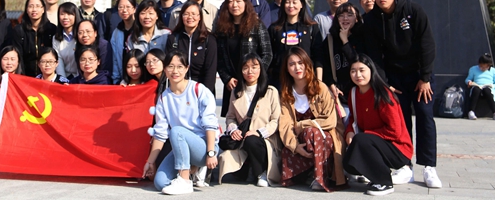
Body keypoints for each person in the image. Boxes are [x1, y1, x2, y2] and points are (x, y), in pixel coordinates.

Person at [362, 0, 441, 188]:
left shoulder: (413, 11)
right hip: (394, 78)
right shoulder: (371, 20)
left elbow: (427, 44)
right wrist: (384, 82)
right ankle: (404, 165)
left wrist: (425, 77)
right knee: (399, 121)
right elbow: (374, 55)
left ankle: (429, 166)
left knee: (424, 115)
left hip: (419, 76)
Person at [143, 51, 220, 195]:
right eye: (170, 66)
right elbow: (160, 134)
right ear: (165, 69)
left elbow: (210, 124)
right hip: (180, 146)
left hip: (203, 147)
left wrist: (211, 153)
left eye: (179, 66)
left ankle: (184, 181)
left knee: (177, 131)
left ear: (186, 68)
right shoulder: (164, 98)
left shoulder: (198, 90)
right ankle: (190, 170)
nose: (175, 71)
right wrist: (150, 162)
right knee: (160, 183)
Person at [343, 54, 413, 196]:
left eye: (362, 70)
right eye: (353, 71)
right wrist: (350, 131)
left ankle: (384, 183)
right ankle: (372, 175)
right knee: (348, 164)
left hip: (398, 148)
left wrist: (366, 135)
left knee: (362, 140)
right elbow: (353, 118)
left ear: (371, 70)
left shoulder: (383, 94)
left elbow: (394, 131)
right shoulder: (353, 93)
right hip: (373, 142)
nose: (358, 75)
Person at [278, 47, 346, 191]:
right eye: (292, 64)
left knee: (312, 133)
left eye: (300, 63)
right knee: (289, 151)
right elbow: (285, 125)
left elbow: (331, 121)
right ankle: (309, 173)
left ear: (307, 64)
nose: (297, 68)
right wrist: (295, 146)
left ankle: (320, 178)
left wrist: (304, 124)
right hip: (301, 142)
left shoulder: (320, 88)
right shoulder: (286, 92)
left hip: (326, 138)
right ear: (287, 69)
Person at [218, 53, 281, 187]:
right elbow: (230, 117)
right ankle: (248, 168)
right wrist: (233, 129)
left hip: (266, 138)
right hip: (242, 138)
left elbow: (276, 120)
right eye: (245, 68)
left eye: (254, 67)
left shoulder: (271, 91)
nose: (250, 71)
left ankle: (261, 172)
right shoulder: (236, 92)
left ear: (261, 69)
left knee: (252, 140)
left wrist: (259, 132)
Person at [216, 0, 273, 117]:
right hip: (232, 85)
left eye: (238, 1)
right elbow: (219, 58)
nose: (234, 5)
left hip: (253, 83)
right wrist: (227, 78)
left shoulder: (256, 25)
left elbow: (267, 54)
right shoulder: (222, 28)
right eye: (230, 1)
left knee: (255, 119)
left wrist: (255, 74)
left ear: (245, 3)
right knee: (233, 121)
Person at [314, 2, 363, 117]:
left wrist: (345, 41)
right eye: (341, 15)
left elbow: (357, 63)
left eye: (350, 15)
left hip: (360, 92)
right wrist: (331, 84)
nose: (345, 18)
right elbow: (324, 64)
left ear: (356, 18)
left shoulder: (363, 37)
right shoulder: (330, 40)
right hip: (340, 95)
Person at [268, 0, 318, 89]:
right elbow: (270, 55)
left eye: (294, 2)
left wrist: (318, 80)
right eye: (287, 2)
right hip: (280, 82)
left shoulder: (311, 27)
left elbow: (318, 56)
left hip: (306, 80)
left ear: (301, 4)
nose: (291, 6)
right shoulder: (274, 28)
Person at [169, 1, 217, 95]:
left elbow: (211, 71)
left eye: (194, 14)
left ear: (200, 17)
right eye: (186, 14)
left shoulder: (209, 40)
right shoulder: (173, 38)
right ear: (181, 16)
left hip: (202, 90)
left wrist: (205, 94)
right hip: (179, 91)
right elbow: (169, 67)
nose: (190, 17)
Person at [4, 0, 56, 77]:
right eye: (31, 6)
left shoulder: (51, 29)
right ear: (26, 10)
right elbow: (18, 56)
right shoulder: (19, 30)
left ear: (43, 9)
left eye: (37, 6)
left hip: (47, 77)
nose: (34, 9)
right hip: (25, 77)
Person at [465, 53, 495, 121]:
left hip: (488, 89)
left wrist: (492, 85)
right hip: (477, 87)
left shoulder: (494, 71)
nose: (482, 68)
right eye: (480, 66)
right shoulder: (473, 69)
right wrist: (469, 82)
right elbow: (468, 79)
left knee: (487, 90)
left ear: (489, 66)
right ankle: (471, 111)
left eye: (484, 67)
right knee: (476, 89)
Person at [109, 0, 138, 83]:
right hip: (123, 79)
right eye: (121, 7)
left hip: (139, 78)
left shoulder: (140, 29)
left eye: (128, 7)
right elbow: (115, 59)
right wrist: (116, 80)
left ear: (134, 9)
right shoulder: (116, 32)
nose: (124, 10)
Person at [53, 2, 80, 78]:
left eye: (69, 14)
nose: (65, 17)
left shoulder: (80, 36)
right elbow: (58, 60)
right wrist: (63, 79)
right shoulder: (56, 38)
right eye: (62, 14)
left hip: (80, 77)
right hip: (64, 77)